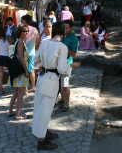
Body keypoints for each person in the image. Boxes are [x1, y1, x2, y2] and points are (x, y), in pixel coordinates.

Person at [32, 22, 81, 150]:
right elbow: (61, 68)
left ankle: (43, 132)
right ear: (63, 32)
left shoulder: (45, 43)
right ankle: (41, 141)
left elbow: (36, 59)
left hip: (42, 76)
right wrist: (72, 65)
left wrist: (47, 62)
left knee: (40, 106)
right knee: (45, 109)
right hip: (52, 79)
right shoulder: (62, 47)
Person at [8, 24, 30, 120]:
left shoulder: (19, 42)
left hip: (18, 71)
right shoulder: (20, 43)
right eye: (24, 31)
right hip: (21, 71)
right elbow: (21, 57)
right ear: (20, 32)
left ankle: (10, 111)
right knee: (20, 93)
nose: (26, 32)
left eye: (27, 30)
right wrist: (26, 70)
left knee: (16, 93)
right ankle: (18, 114)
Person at [59, 20, 79, 112]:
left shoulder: (74, 38)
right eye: (64, 28)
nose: (65, 29)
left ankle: (66, 105)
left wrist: (65, 49)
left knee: (65, 85)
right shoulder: (62, 35)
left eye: (67, 28)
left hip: (67, 64)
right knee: (60, 85)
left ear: (72, 27)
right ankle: (62, 100)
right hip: (59, 63)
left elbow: (74, 54)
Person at [21, 15, 38, 92]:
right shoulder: (35, 29)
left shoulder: (23, 29)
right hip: (32, 52)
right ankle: (33, 87)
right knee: (31, 70)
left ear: (24, 21)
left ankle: (25, 89)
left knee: (25, 70)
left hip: (24, 52)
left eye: (21, 20)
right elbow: (37, 41)